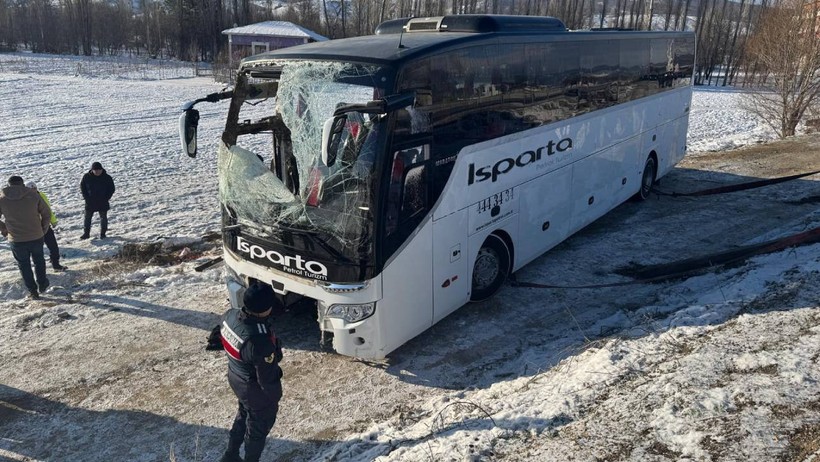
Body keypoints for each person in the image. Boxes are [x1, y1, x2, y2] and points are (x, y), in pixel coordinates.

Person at [219, 283, 284, 462]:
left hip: (236, 376)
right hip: (254, 389)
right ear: (266, 308)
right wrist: (273, 398)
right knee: (258, 428)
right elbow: (267, 378)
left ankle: (230, 455)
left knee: (243, 415)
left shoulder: (230, 315)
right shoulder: (259, 341)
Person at [0, 176, 51, 299]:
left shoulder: (2, 199)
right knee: (39, 261)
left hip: (16, 239)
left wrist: (4, 228)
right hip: (36, 236)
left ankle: (33, 291)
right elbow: (46, 213)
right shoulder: (34, 195)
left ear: (9, 185)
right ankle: (42, 284)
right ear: (22, 184)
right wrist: (43, 229)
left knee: (24, 265)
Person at [26, 182, 67, 271]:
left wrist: (53, 221)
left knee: (53, 247)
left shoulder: (42, 195)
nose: (33, 190)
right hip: (33, 228)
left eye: (34, 188)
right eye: (31, 189)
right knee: (37, 251)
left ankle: (56, 264)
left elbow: (48, 210)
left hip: (45, 225)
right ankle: (40, 271)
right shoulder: (24, 199)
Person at [79, 161, 115, 239]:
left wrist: (106, 198)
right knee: (87, 218)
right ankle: (86, 233)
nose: (98, 171)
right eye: (96, 170)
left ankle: (103, 234)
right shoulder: (86, 177)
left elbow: (111, 189)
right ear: (92, 170)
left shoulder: (107, 177)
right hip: (90, 202)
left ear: (102, 169)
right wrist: (86, 198)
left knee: (103, 218)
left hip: (103, 201)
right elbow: (83, 188)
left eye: (99, 170)